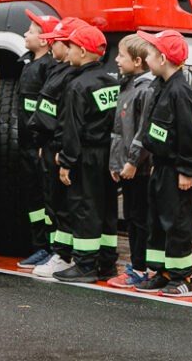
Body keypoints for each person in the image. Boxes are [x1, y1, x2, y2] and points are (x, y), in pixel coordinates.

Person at [133, 29, 192, 298]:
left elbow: (191, 135)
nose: (146, 57)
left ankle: (182, 278)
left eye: (150, 53)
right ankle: (161, 272)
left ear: (162, 58)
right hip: (161, 166)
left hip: (177, 170)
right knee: (158, 222)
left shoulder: (181, 92)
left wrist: (187, 169)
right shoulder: (162, 86)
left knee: (177, 223)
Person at [53, 25, 121, 284]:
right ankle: (106, 263)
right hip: (108, 153)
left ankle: (84, 264)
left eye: (70, 47)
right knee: (106, 207)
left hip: (86, 154)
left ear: (82, 51)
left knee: (84, 207)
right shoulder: (112, 81)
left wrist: (67, 161)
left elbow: (72, 128)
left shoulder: (77, 85)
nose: (67, 51)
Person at [29, 17, 88, 279]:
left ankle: (63, 255)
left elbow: (65, 118)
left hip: (57, 146)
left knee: (62, 204)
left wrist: (59, 149)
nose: (51, 45)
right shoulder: (58, 70)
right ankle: (57, 250)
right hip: (49, 144)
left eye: (57, 42)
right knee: (52, 203)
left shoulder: (71, 76)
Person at [106, 33, 155, 288]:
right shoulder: (128, 86)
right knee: (132, 217)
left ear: (137, 61)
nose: (116, 59)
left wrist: (133, 161)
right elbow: (118, 130)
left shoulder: (144, 90)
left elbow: (142, 132)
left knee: (139, 218)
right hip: (126, 167)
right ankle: (137, 266)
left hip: (139, 169)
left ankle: (140, 268)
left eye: (121, 55)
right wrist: (116, 162)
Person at [14, 10, 59, 270]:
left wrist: (43, 143)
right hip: (27, 145)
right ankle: (39, 245)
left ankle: (51, 249)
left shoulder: (48, 68)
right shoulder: (29, 63)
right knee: (33, 200)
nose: (25, 34)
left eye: (31, 31)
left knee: (46, 200)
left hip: (39, 146)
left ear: (44, 41)